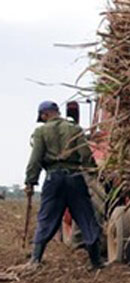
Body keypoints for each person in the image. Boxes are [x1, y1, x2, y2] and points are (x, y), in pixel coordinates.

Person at [25, 100, 103, 270]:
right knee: (86, 218)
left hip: (54, 179)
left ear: (45, 115)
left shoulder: (41, 131)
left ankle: (35, 260)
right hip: (75, 178)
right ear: (57, 112)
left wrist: (30, 181)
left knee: (46, 218)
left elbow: (35, 159)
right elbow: (85, 154)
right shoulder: (74, 129)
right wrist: (92, 172)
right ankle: (96, 262)